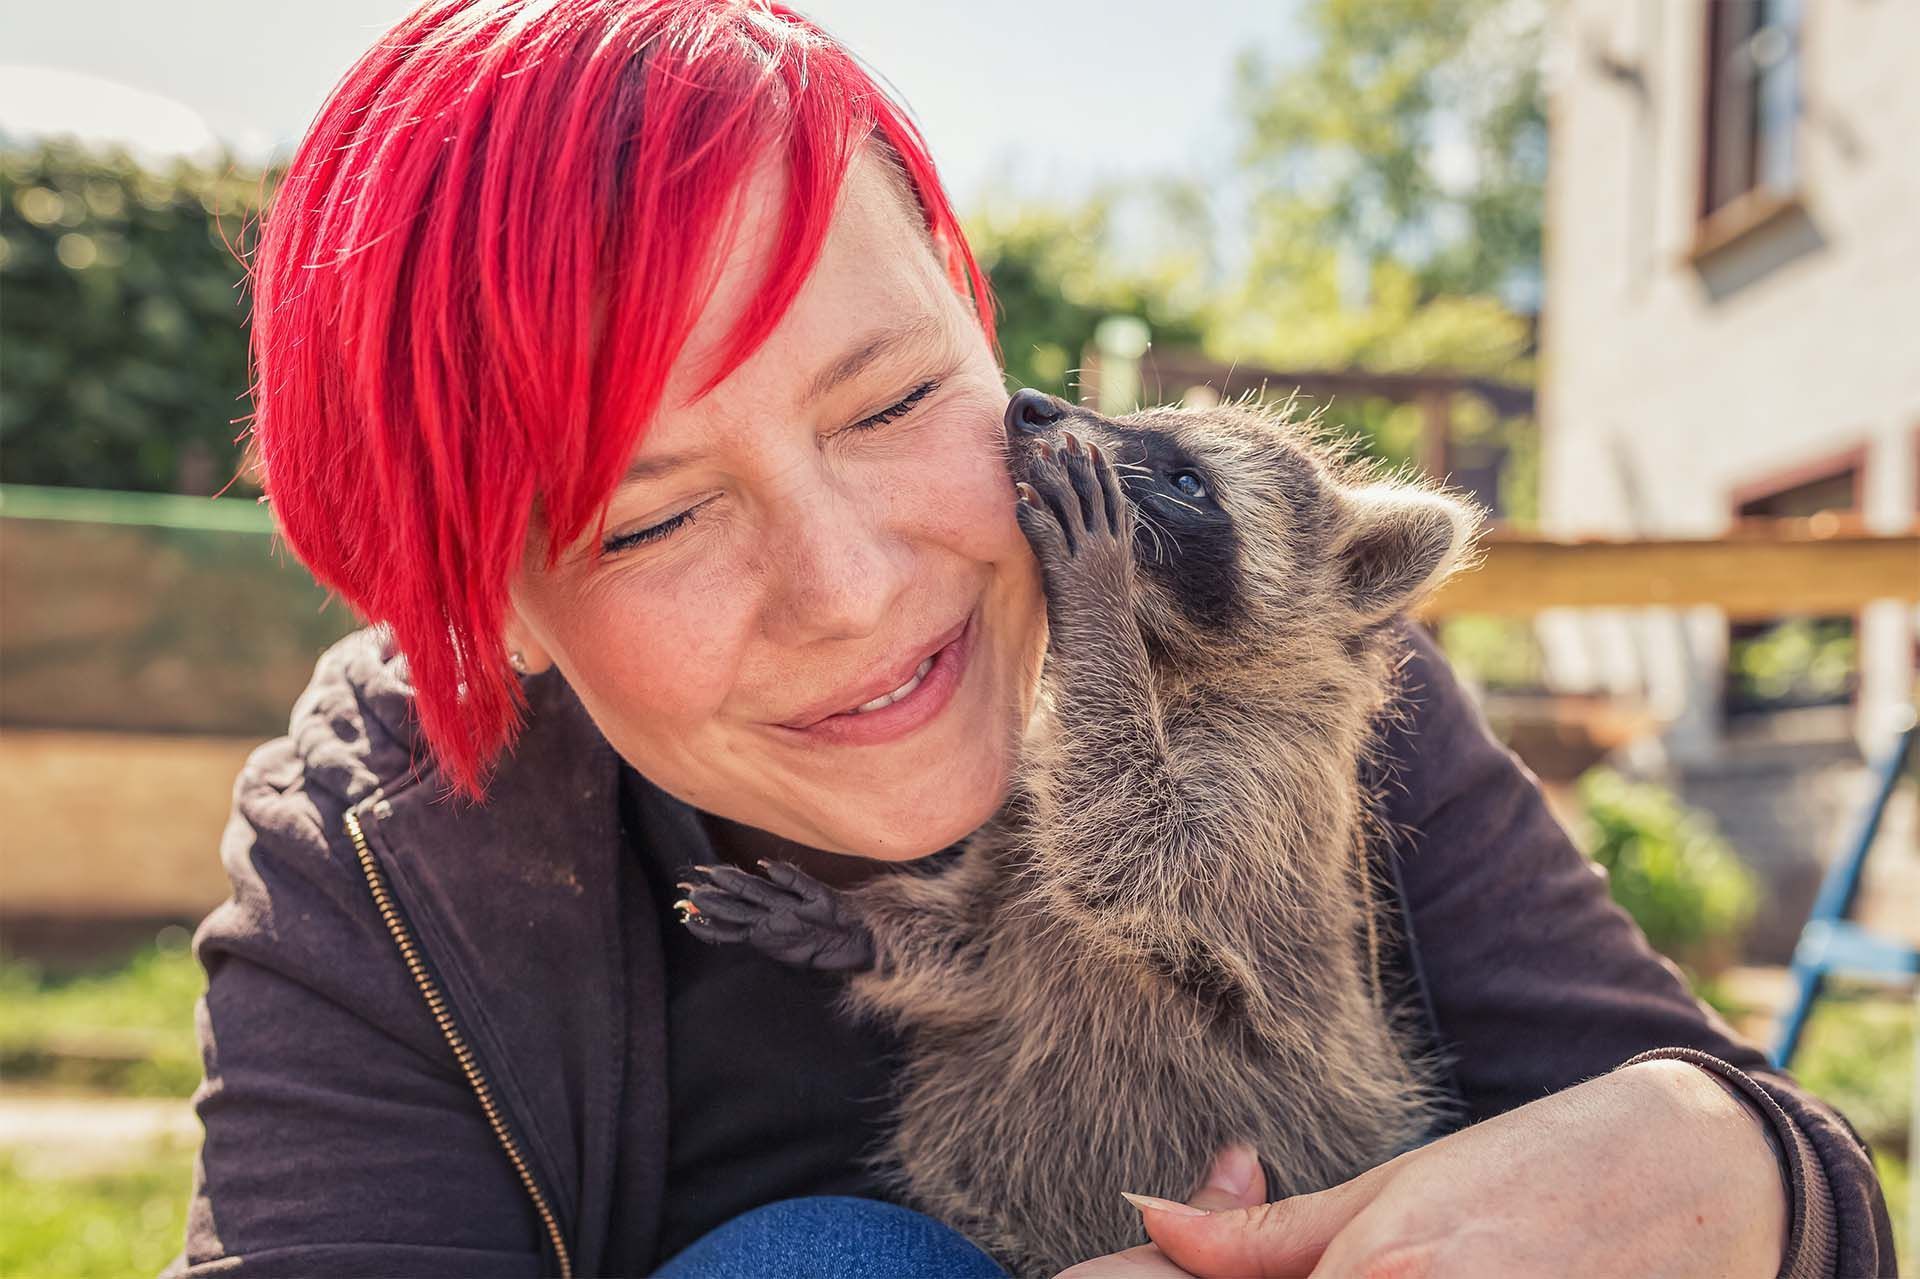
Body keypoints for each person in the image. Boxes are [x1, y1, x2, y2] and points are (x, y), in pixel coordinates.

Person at [165, 2, 1895, 1276]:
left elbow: (1786, 1173)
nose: (850, 589)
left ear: (974, 315)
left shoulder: (1278, 659)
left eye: (896, 400)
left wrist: (1726, 1162)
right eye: (649, 519)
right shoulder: (380, 849)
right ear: (486, 605)